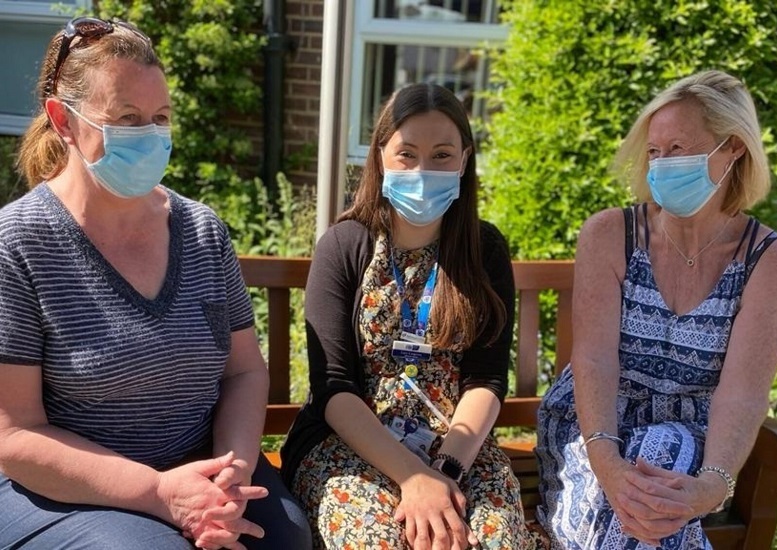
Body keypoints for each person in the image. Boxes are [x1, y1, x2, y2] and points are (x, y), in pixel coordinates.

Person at [0, 16, 311, 550]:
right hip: (66, 491)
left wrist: (231, 475)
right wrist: (159, 492)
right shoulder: (17, 245)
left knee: (284, 540)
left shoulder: (201, 229)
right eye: (127, 117)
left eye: (160, 118)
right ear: (63, 119)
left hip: (201, 466)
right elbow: (14, 435)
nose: (148, 135)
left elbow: (242, 371)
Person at [536, 69, 777, 549]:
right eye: (654, 153)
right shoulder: (609, 234)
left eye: (677, 149)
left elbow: (742, 393)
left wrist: (713, 485)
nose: (660, 166)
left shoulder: (771, 259)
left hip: (695, 438)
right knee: (642, 493)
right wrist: (608, 465)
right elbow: (593, 359)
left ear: (733, 147)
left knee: (663, 462)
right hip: (596, 429)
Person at [280, 83, 537, 549]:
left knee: (491, 540)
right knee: (380, 540)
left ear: (464, 159)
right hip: (350, 445)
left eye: (441, 155)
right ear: (381, 157)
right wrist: (414, 479)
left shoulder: (486, 250)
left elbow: (486, 380)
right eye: (407, 154)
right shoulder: (343, 246)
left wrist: (444, 472)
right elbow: (334, 388)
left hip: (456, 449)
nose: (423, 170)